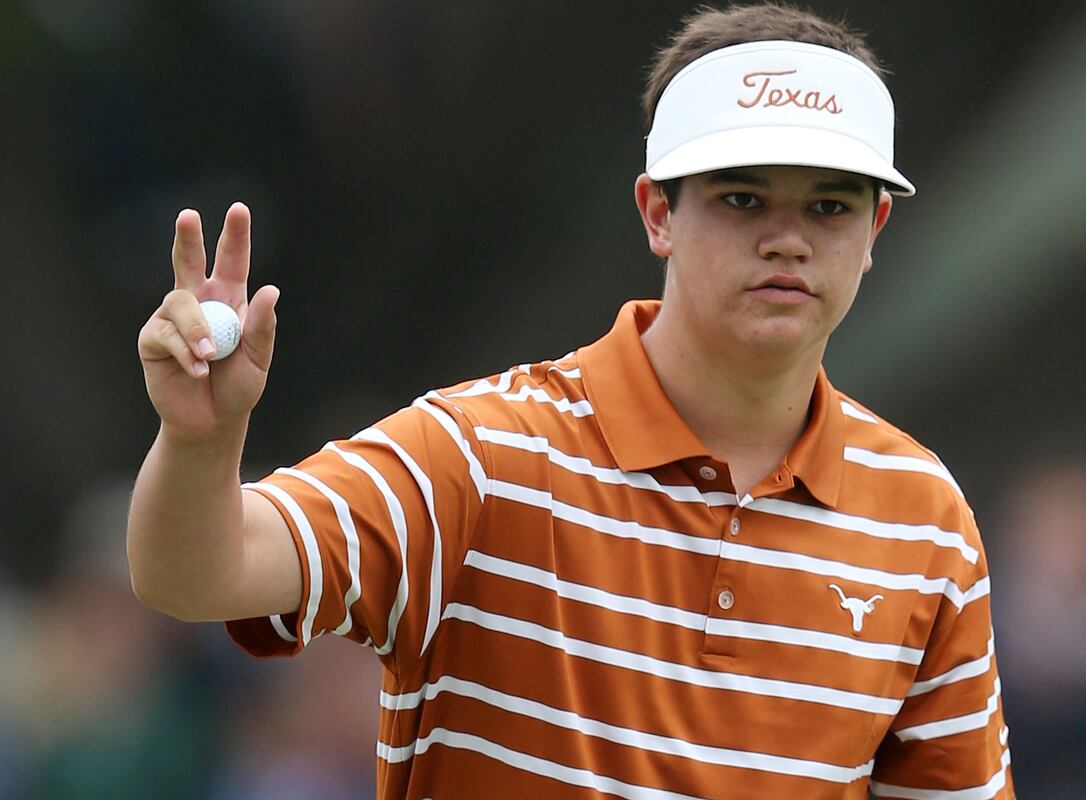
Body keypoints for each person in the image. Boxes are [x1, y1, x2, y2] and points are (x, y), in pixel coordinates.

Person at [128, 4, 1014, 798]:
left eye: (829, 206)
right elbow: (197, 576)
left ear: (874, 234)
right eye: (742, 198)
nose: (787, 238)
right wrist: (199, 446)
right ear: (657, 214)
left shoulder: (924, 520)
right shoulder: (481, 455)